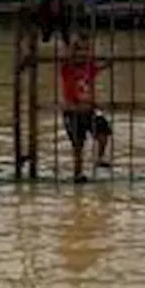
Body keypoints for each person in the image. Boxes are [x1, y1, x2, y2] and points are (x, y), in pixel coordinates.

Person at [59, 35, 113, 183]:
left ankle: (99, 158)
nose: (83, 54)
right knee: (78, 144)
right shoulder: (67, 68)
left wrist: (108, 59)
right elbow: (63, 57)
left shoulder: (89, 67)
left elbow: (102, 65)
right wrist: (71, 49)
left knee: (103, 132)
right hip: (72, 111)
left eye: (86, 50)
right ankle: (78, 173)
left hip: (89, 110)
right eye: (79, 51)